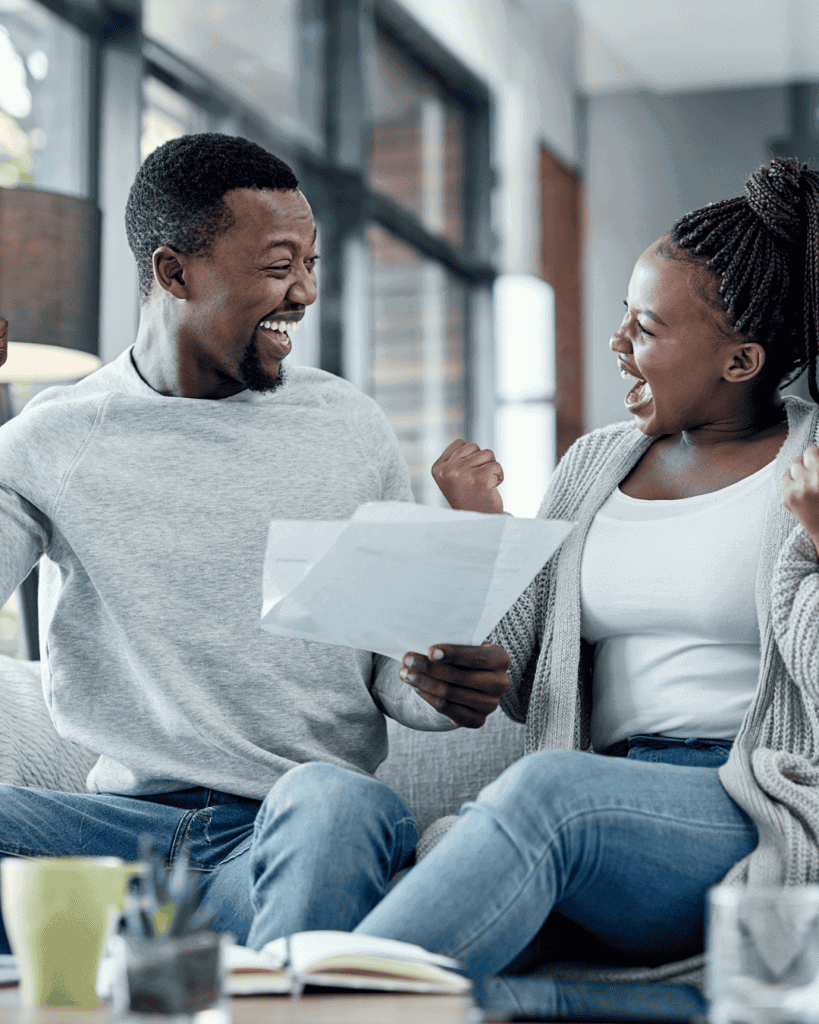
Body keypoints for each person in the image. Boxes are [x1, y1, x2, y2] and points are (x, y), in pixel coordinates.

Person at [0, 132, 510, 950]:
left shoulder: (347, 427)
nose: (304, 292)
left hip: (294, 825)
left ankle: (277, 992)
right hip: (118, 839)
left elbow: (397, 678)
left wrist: (444, 688)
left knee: (335, 800)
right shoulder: (52, 438)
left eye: (311, 262)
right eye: (278, 266)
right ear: (174, 272)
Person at [354, 157, 819, 981]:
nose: (615, 344)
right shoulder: (596, 462)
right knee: (479, 937)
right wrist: (483, 531)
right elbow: (521, 678)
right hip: (603, 789)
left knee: (542, 795)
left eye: (644, 328)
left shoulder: (810, 467)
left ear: (739, 362)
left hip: (743, 801)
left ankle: (298, 1008)